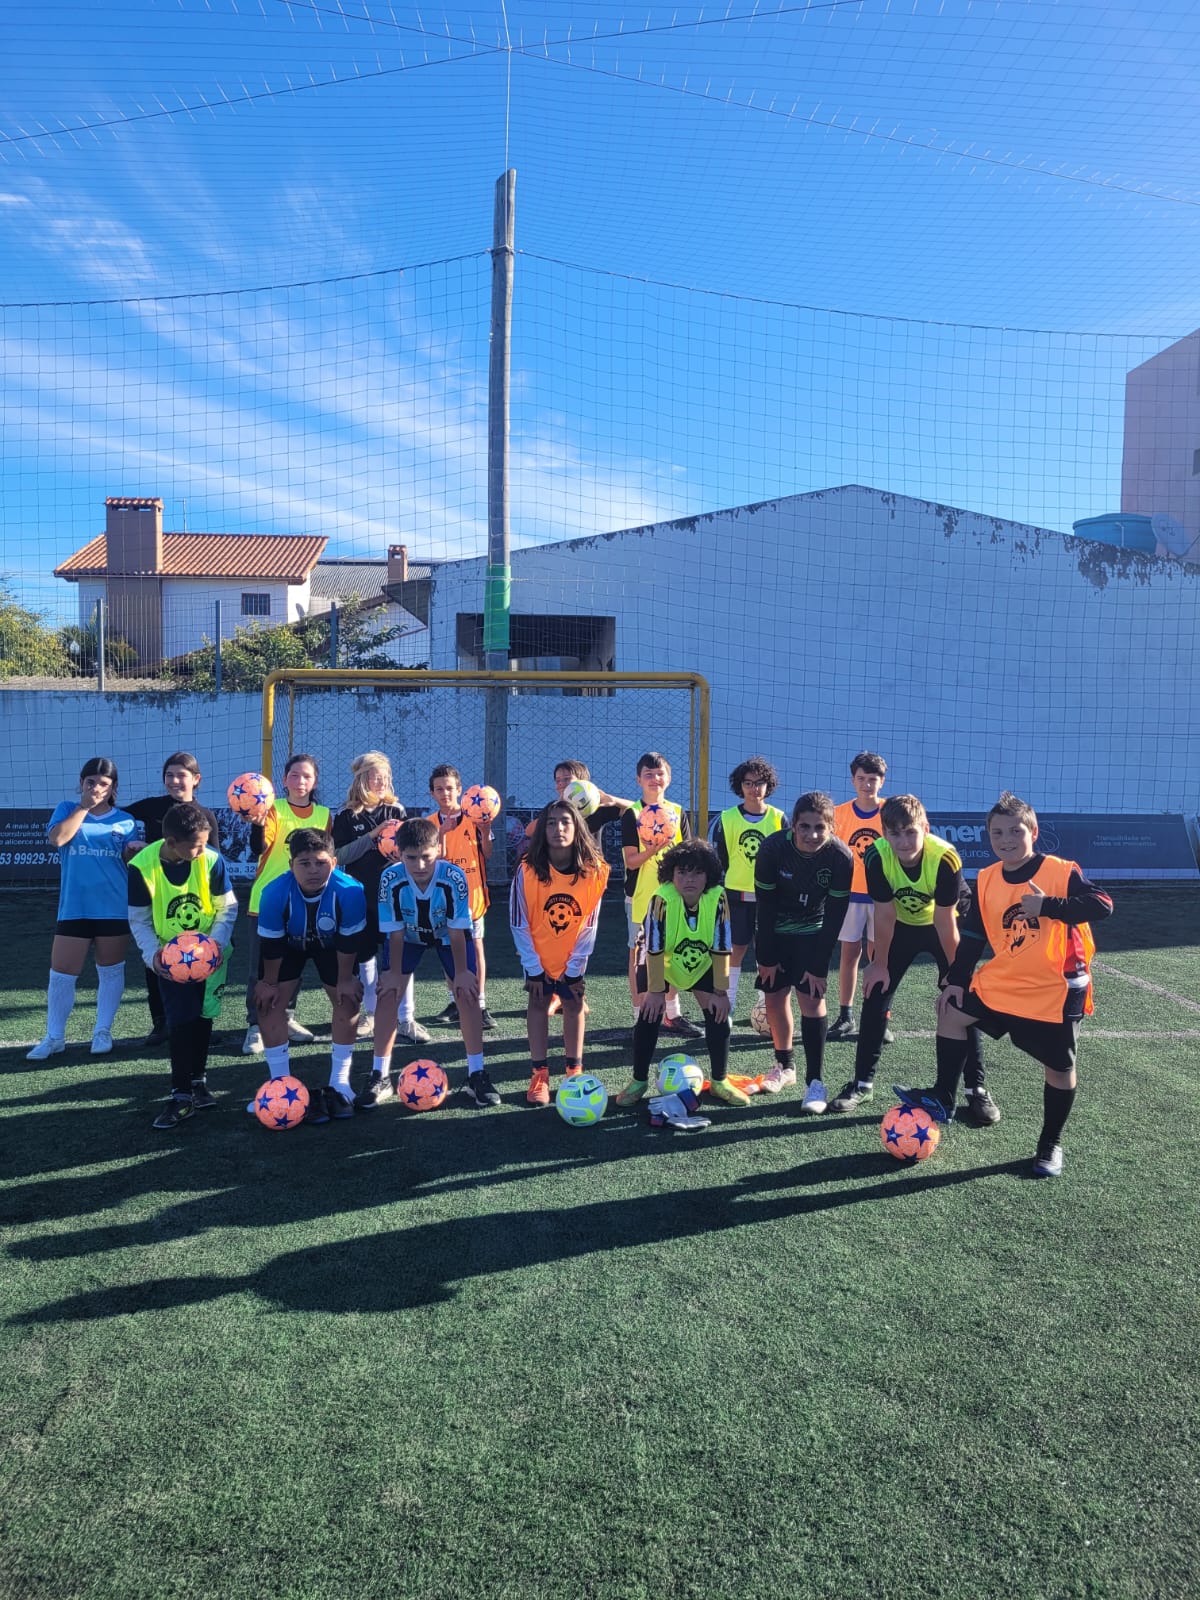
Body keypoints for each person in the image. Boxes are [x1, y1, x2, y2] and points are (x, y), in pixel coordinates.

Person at [893, 791, 1113, 1178]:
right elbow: (974, 935)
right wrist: (956, 980)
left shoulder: (1060, 871)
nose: (1006, 839)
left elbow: (1103, 904)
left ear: (1033, 832)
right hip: (1007, 978)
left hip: (1055, 987)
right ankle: (944, 1096)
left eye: (1015, 831)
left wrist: (1049, 906)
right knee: (951, 1009)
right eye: (997, 833)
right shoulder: (988, 877)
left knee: (1059, 1069)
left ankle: (1050, 1144)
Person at [828, 795, 997, 1124]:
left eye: (910, 832)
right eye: (895, 833)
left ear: (925, 829)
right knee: (875, 992)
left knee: (962, 1003)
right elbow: (885, 915)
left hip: (942, 924)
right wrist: (879, 964)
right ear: (884, 833)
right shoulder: (876, 856)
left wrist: (956, 976)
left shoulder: (944, 857)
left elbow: (945, 921)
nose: (903, 841)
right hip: (902, 925)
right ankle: (862, 1084)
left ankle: (975, 1089)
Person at [127, 802, 238, 1129]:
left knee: (203, 1016)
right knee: (179, 1020)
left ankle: (198, 1082)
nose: (203, 850)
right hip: (172, 959)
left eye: (205, 843)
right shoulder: (141, 866)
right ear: (172, 842)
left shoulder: (212, 860)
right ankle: (180, 1095)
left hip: (211, 955)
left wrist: (215, 945)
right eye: (197, 845)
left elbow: (227, 908)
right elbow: (139, 919)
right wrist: (152, 955)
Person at [377, 817, 499, 1108]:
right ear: (399, 853)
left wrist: (461, 973)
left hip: (446, 935)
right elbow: (394, 931)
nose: (420, 865)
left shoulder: (454, 876)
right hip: (408, 935)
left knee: (468, 994)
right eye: (411, 858)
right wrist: (394, 973)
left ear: (438, 851)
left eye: (427, 857)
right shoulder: (390, 878)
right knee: (388, 992)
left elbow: (457, 930)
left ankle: (477, 1074)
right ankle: (378, 1076)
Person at [615, 840, 747, 1108]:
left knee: (719, 1013)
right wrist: (655, 992)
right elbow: (653, 948)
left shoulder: (718, 896)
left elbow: (722, 944)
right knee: (649, 1014)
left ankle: (719, 1081)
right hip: (658, 962)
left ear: (708, 875)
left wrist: (721, 992)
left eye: (697, 872)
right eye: (682, 872)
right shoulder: (661, 898)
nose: (689, 879)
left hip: (699, 960)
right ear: (670, 874)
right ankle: (639, 1080)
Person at [28, 757, 141, 1060]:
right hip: (74, 907)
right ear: (81, 783)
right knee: (61, 973)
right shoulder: (67, 809)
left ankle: (102, 1031)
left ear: (113, 788)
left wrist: (133, 852)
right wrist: (83, 807)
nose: (96, 788)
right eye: (91, 782)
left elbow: (131, 863)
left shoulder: (126, 821)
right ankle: (54, 1037)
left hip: (113, 907)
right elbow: (58, 839)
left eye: (103, 783)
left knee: (110, 970)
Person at [253, 829, 367, 1124]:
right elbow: (272, 946)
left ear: (334, 862)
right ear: (291, 864)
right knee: (267, 1003)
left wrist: (345, 980)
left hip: (333, 947)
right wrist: (268, 984)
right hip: (288, 946)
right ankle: (279, 1084)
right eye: (305, 863)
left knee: (348, 999)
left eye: (321, 862)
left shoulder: (351, 891)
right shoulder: (274, 892)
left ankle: (340, 1082)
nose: (313, 870)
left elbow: (349, 942)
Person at [753, 791, 854, 1110]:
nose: (812, 835)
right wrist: (766, 957)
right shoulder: (772, 849)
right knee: (774, 997)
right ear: (793, 826)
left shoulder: (840, 857)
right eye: (805, 827)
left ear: (831, 828)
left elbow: (835, 916)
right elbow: (765, 907)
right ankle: (785, 1067)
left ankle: (815, 1082)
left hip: (813, 933)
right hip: (775, 931)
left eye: (820, 827)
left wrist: (819, 966)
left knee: (812, 1000)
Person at [510, 800, 610, 1105]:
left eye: (565, 821)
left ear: (577, 827)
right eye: (551, 822)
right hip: (538, 954)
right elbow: (518, 922)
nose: (558, 828)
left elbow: (590, 923)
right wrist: (533, 966)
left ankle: (573, 1071)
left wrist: (575, 967)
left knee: (573, 1002)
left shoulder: (594, 871)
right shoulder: (527, 870)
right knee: (538, 1002)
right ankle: (539, 1074)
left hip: (572, 955)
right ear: (542, 829)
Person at [126, 751, 222, 1047]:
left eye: (181, 775)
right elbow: (117, 816)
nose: (175, 781)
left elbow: (214, 860)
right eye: (169, 775)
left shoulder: (206, 816)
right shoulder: (152, 807)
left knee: (200, 963)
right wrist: (131, 844)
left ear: (196, 779)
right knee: (158, 962)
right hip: (159, 901)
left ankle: (202, 1022)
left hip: (195, 906)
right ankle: (161, 1022)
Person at [243, 753, 331, 1055]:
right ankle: (256, 1025)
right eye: (294, 775)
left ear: (314, 781)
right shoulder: (272, 809)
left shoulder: (324, 815)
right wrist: (256, 826)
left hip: (305, 902)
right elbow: (259, 847)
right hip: (267, 900)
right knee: (260, 966)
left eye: (307, 776)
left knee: (294, 963)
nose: (300, 781)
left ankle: (286, 1016)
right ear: (284, 780)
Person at [331, 751, 418, 1055]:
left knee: (400, 956)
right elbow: (339, 856)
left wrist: (399, 856)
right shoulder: (346, 815)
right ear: (361, 779)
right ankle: (371, 1015)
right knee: (365, 957)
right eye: (375, 776)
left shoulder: (396, 810)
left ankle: (406, 1018)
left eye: (385, 777)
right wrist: (373, 836)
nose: (381, 782)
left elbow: (410, 851)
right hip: (361, 896)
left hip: (394, 896)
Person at [620, 751, 702, 1039]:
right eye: (648, 774)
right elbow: (631, 861)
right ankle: (639, 1017)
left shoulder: (677, 812)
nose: (655, 779)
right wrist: (653, 849)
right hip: (642, 897)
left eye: (660, 773)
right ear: (638, 779)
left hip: (674, 897)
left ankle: (672, 1013)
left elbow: (688, 857)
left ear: (669, 778)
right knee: (639, 957)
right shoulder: (632, 814)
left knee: (673, 954)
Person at [709, 755, 784, 1020]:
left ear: (768, 785)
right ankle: (727, 1003)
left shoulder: (779, 818)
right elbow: (721, 858)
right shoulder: (727, 818)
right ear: (739, 786)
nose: (754, 788)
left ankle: (766, 1005)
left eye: (759, 783)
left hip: (769, 897)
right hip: (737, 895)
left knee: (767, 951)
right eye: (748, 783)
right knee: (735, 949)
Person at [427, 764, 496, 1032]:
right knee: (449, 949)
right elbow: (434, 860)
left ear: (460, 790)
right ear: (432, 793)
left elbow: (487, 853)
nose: (445, 793)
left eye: (449, 788)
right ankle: (455, 1001)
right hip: (442, 898)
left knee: (476, 948)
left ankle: (480, 1004)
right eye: (439, 789)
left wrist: (486, 831)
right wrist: (443, 833)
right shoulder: (430, 824)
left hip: (472, 897)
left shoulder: (475, 816)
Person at [830, 751, 887, 1041]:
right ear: (853, 780)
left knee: (880, 957)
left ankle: (879, 1017)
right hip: (850, 895)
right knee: (849, 953)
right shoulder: (838, 814)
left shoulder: (891, 812)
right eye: (861, 778)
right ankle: (846, 1014)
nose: (867, 784)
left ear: (882, 781)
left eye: (872, 779)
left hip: (883, 898)